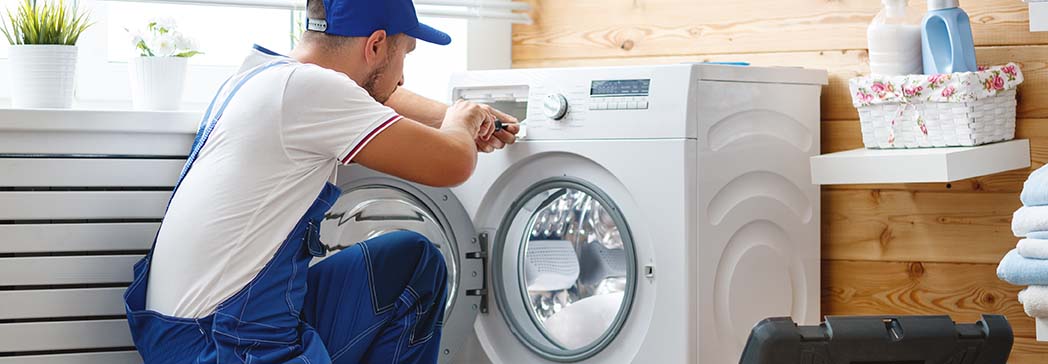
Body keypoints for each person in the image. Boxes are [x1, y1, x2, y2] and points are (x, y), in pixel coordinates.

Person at [121, 0, 519, 362]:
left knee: (412, 263)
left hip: (184, 331)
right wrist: (461, 123)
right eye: (405, 54)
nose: (403, 75)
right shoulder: (315, 91)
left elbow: (387, 97)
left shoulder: (265, 74)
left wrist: (462, 117)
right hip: (223, 345)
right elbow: (452, 163)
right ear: (376, 45)